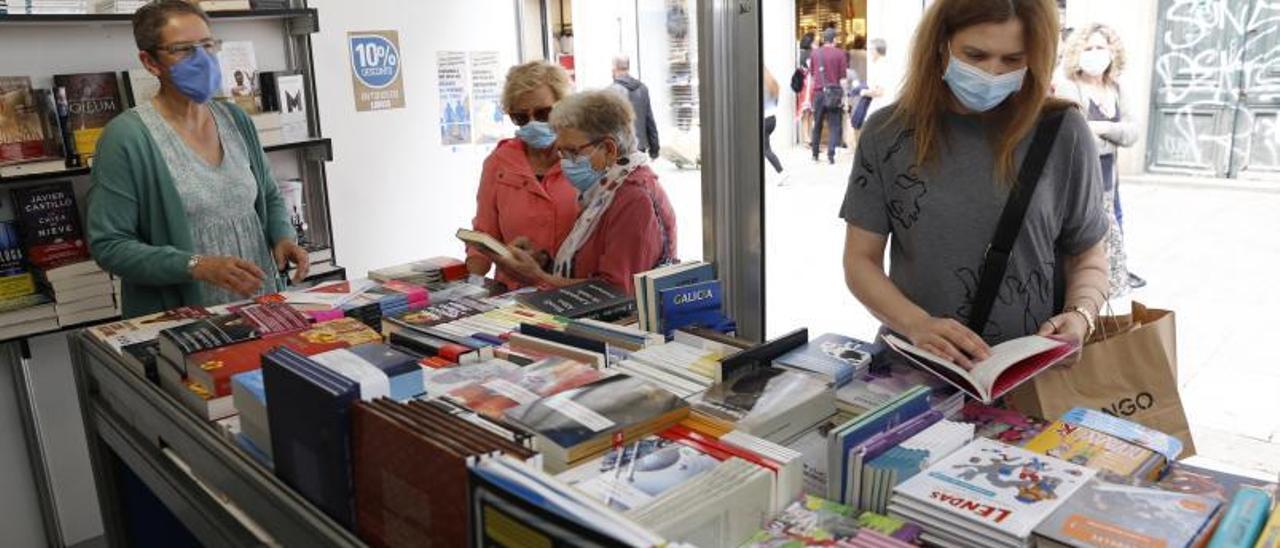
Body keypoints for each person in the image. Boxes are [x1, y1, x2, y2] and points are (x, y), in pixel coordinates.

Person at [841, 0, 1110, 367]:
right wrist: (917, 324)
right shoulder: (888, 133)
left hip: (1028, 378)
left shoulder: (1063, 132)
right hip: (914, 373)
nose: (992, 72)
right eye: (975, 55)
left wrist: (1081, 315)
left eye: (1012, 59)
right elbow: (860, 261)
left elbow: (1088, 255)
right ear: (941, 44)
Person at [87, 0, 308, 318]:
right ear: (150, 62)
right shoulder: (127, 138)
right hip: (185, 320)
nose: (202, 59)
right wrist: (196, 266)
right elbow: (109, 245)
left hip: (261, 306)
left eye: (207, 45)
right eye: (184, 49)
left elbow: (268, 194)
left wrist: (282, 236)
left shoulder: (235, 118)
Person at [493, 90, 677, 295]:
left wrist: (537, 277)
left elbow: (617, 292)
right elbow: (589, 267)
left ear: (609, 149)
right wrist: (542, 262)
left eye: (572, 152)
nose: (565, 163)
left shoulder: (634, 197)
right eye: (562, 152)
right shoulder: (608, 188)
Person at [465, 61, 579, 290]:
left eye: (543, 113)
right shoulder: (498, 163)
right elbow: (483, 238)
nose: (533, 123)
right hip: (514, 296)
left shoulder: (584, 160)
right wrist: (472, 286)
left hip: (574, 291)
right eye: (521, 117)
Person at [1056, 23, 1144, 291]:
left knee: (1115, 230)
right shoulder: (1068, 86)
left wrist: (1102, 128)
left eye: (1100, 48)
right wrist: (1106, 134)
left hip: (1110, 178)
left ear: (1112, 53)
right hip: (1082, 177)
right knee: (1087, 235)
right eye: (1088, 47)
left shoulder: (1115, 88)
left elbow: (1132, 134)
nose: (1095, 53)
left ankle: (1114, 280)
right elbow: (1078, 138)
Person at [610, 54, 660, 160]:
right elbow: (649, 119)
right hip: (640, 147)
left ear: (614, 68)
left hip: (620, 149)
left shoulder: (611, 91)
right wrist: (654, 147)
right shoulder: (642, 88)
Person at [810, 27, 848, 164]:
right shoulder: (840, 54)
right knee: (834, 124)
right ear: (834, 39)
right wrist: (845, 97)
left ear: (823, 39)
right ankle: (831, 155)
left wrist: (811, 96)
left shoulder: (815, 54)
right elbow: (843, 79)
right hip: (834, 93)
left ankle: (815, 154)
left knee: (817, 124)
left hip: (819, 93)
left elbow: (812, 77)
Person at [763, 68, 785, 181]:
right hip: (772, 119)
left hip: (763, 120)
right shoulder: (773, 84)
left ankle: (781, 172)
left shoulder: (760, 86)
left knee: (766, 149)